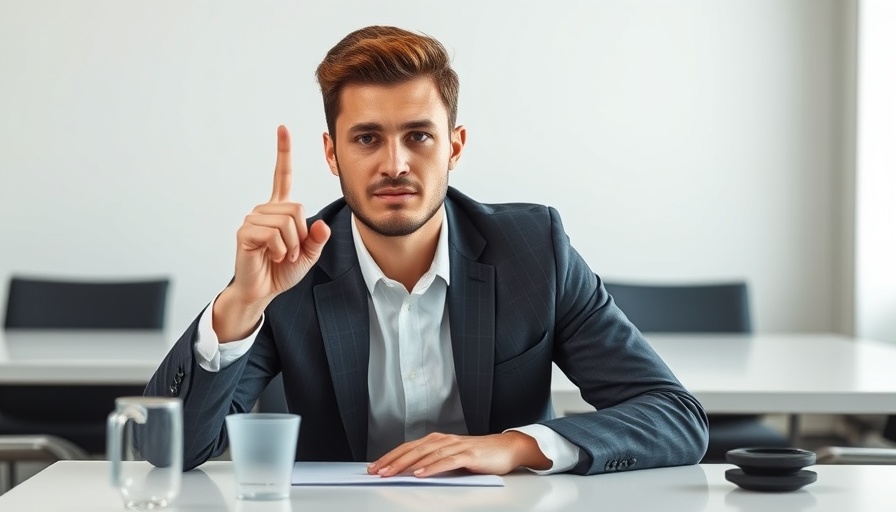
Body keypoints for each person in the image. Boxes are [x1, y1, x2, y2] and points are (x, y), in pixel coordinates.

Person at [145, 25, 708, 476]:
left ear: (454, 147)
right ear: (332, 154)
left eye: (418, 135)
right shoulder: (291, 266)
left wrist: (512, 447)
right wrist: (241, 304)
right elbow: (168, 451)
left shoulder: (535, 250)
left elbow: (674, 417)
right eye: (367, 138)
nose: (394, 164)